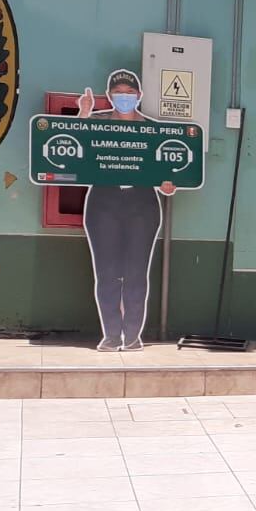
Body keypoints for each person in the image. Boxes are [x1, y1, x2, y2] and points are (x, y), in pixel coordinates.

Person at [77, 70, 175, 352]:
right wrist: (84, 113)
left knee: (136, 273)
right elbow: (74, 145)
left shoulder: (154, 130)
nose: (124, 97)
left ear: (139, 96)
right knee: (106, 273)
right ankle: (110, 335)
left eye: (129, 92)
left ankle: (132, 336)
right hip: (103, 202)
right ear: (109, 96)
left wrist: (169, 185)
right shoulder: (95, 123)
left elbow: (168, 170)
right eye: (118, 92)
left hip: (142, 203)